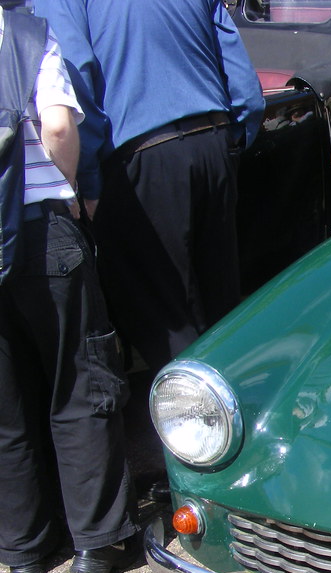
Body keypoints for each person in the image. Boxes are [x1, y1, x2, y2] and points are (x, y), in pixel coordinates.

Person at [31, 0, 265, 375]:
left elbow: (75, 79)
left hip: (140, 157)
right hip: (212, 140)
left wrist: (88, 183)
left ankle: (198, 422)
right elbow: (244, 87)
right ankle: (238, 408)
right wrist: (230, 141)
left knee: (164, 317)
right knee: (220, 307)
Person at [0, 5, 139, 573]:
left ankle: (24, 549)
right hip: (40, 229)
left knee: (6, 403)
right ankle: (95, 540)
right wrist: (74, 193)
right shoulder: (26, 32)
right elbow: (58, 125)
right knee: (79, 384)